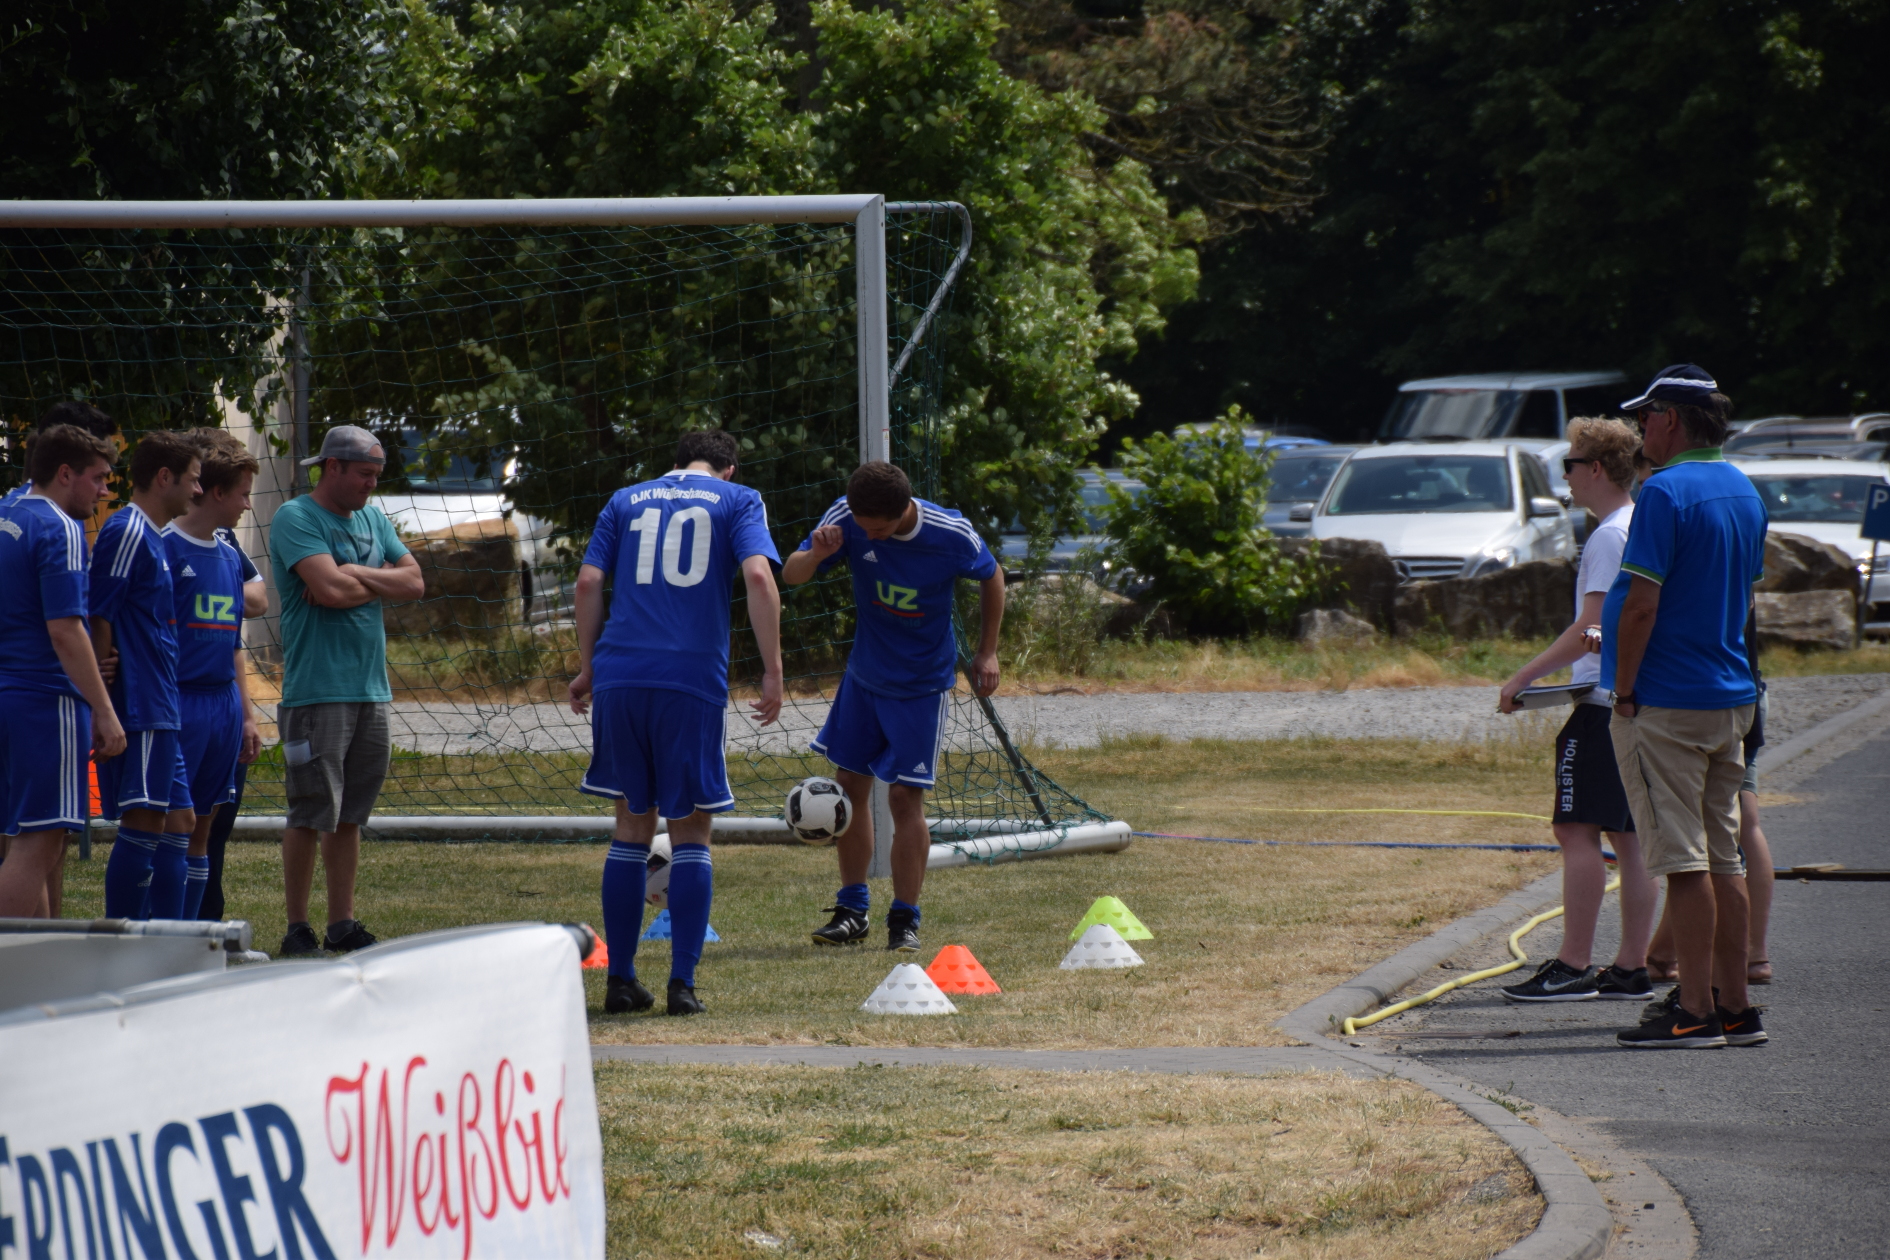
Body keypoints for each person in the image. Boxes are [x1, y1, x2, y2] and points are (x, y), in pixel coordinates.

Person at [567, 429, 783, 1016]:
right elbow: (760, 578)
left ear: (672, 465)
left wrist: (587, 668)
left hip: (620, 675)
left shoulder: (625, 498)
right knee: (691, 833)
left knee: (630, 829)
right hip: (689, 678)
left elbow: (588, 582)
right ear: (729, 469)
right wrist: (772, 670)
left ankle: (620, 981)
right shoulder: (740, 500)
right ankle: (682, 985)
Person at [1602, 364, 1769, 1049]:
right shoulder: (1743, 490)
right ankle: (1735, 1006)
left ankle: (1693, 1010)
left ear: (1671, 418)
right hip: (1729, 695)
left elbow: (1642, 604)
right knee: (1725, 856)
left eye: (1647, 418)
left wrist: (1625, 688)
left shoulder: (1665, 492)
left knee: (1684, 861)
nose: (1641, 430)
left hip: (1665, 700)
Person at [782, 460, 1004, 953]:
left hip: (921, 686)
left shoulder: (950, 533)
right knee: (849, 786)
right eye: (864, 530)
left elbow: (993, 577)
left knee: (904, 799)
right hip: (864, 678)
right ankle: (852, 909)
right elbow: (791, 576)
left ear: (905, 510)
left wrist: (987, 650)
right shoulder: (846, 517)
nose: (871, 538)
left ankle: (904, 919)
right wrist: (816, 555)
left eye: (879, 530)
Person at [1497, 419, 1657, 1002]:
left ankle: (1574, 964)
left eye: (1569, 464)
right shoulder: (1636, 525)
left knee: (1575, 828)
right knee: (1630, 835)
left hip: (1599, 703)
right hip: (1628, 698)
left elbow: (1588, 627)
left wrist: (1523, 677)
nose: (1563, 475)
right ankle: (1631, 967)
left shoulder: (1609, 536)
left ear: (1594, 470)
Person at [269, 424, 424, 956]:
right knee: (311, 810)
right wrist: (370, 578)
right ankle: (296, 925)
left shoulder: (374, 517)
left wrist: (354, 570)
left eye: (377, 477)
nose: (371, 487)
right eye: (364, 475)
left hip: (370, 690)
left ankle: (341, 922)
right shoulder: (297, 517)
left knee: (351, 814)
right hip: (317, 691)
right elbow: (328, 590)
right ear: (331, 467)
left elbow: (415, 582)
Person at [0, 426, 127, 916]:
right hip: (44, 701)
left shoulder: (7, 513)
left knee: (20, 838)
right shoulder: (60, 527)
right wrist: (104, 708)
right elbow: (66, 631)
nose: (103, 492)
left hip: (9, 694)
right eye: (97, 479)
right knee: (39, 845)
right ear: (65, 473)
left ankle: (37, 963)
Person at [92, 430, 202, 919]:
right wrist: (101, 673)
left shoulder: (153, 537)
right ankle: (123, 944)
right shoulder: (126, 529)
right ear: (164, 478)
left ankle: (170, 944)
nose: (197, 491)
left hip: (163, 702)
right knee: (144, 820)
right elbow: (98, 609)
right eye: (193, 480)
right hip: (139, 704)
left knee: (181, 819)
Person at [163, 438, 265, 919]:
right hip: (178, 704)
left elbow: (232, 645)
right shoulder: (163, 547)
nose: (249, 504)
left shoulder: (228, 557)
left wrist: (246, 715)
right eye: (244, 493)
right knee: (166, 825)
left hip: (221, 707)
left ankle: (195, 936)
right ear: (218, 492)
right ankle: (153, 933)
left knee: (204, 828)